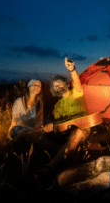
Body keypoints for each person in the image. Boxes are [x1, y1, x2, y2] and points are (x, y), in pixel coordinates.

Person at [36, 57, 91, 186]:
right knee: (36, 137)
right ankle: (67, 152)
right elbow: (60, 127)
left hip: (82, 129)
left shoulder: (76, 93)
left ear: (66, 84)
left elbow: (77, 82)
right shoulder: (58, 106)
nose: (58, 87)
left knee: (77, 133)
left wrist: (72, 70)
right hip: (66, 133)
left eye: (60, 83)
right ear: (54, 90)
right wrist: (53, 128)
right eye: (55, 86)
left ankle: (48, 169)